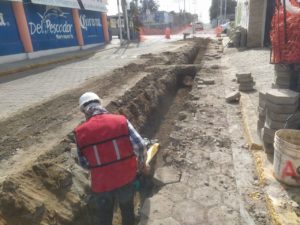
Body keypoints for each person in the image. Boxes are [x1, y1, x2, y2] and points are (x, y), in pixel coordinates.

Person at [74, 92, 147, 225]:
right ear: (100, 103)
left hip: (102, 184)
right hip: (126, 177)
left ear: (84, 111)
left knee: (105, 216)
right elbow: (140, 145)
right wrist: (141, 164)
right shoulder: (121, 120)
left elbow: (84, 164)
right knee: (127, 211)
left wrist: (101, 166)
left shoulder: (80, 133)